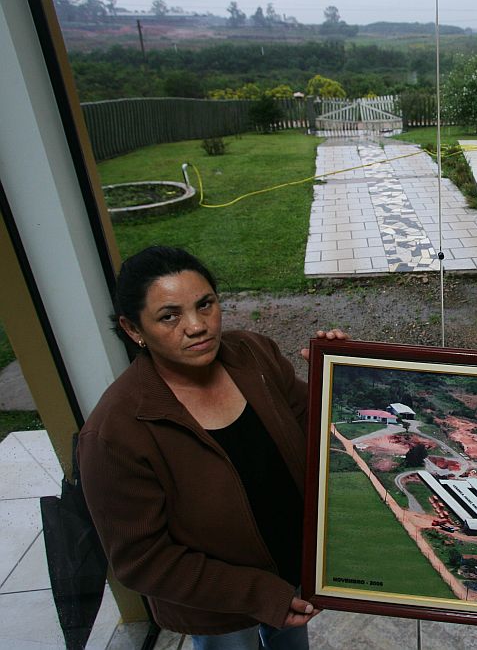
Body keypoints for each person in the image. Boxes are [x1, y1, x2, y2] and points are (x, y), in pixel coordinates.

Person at [78, 246, 345, 650]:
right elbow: (142, 560)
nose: (197, 326)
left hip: (295, 571)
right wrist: (259, 596)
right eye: (170, 316)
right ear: (134, 330)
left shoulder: (254, 353)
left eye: (206, 305)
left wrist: (343, 375)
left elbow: (313, 431)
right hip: (219, 605)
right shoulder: (114, 433)